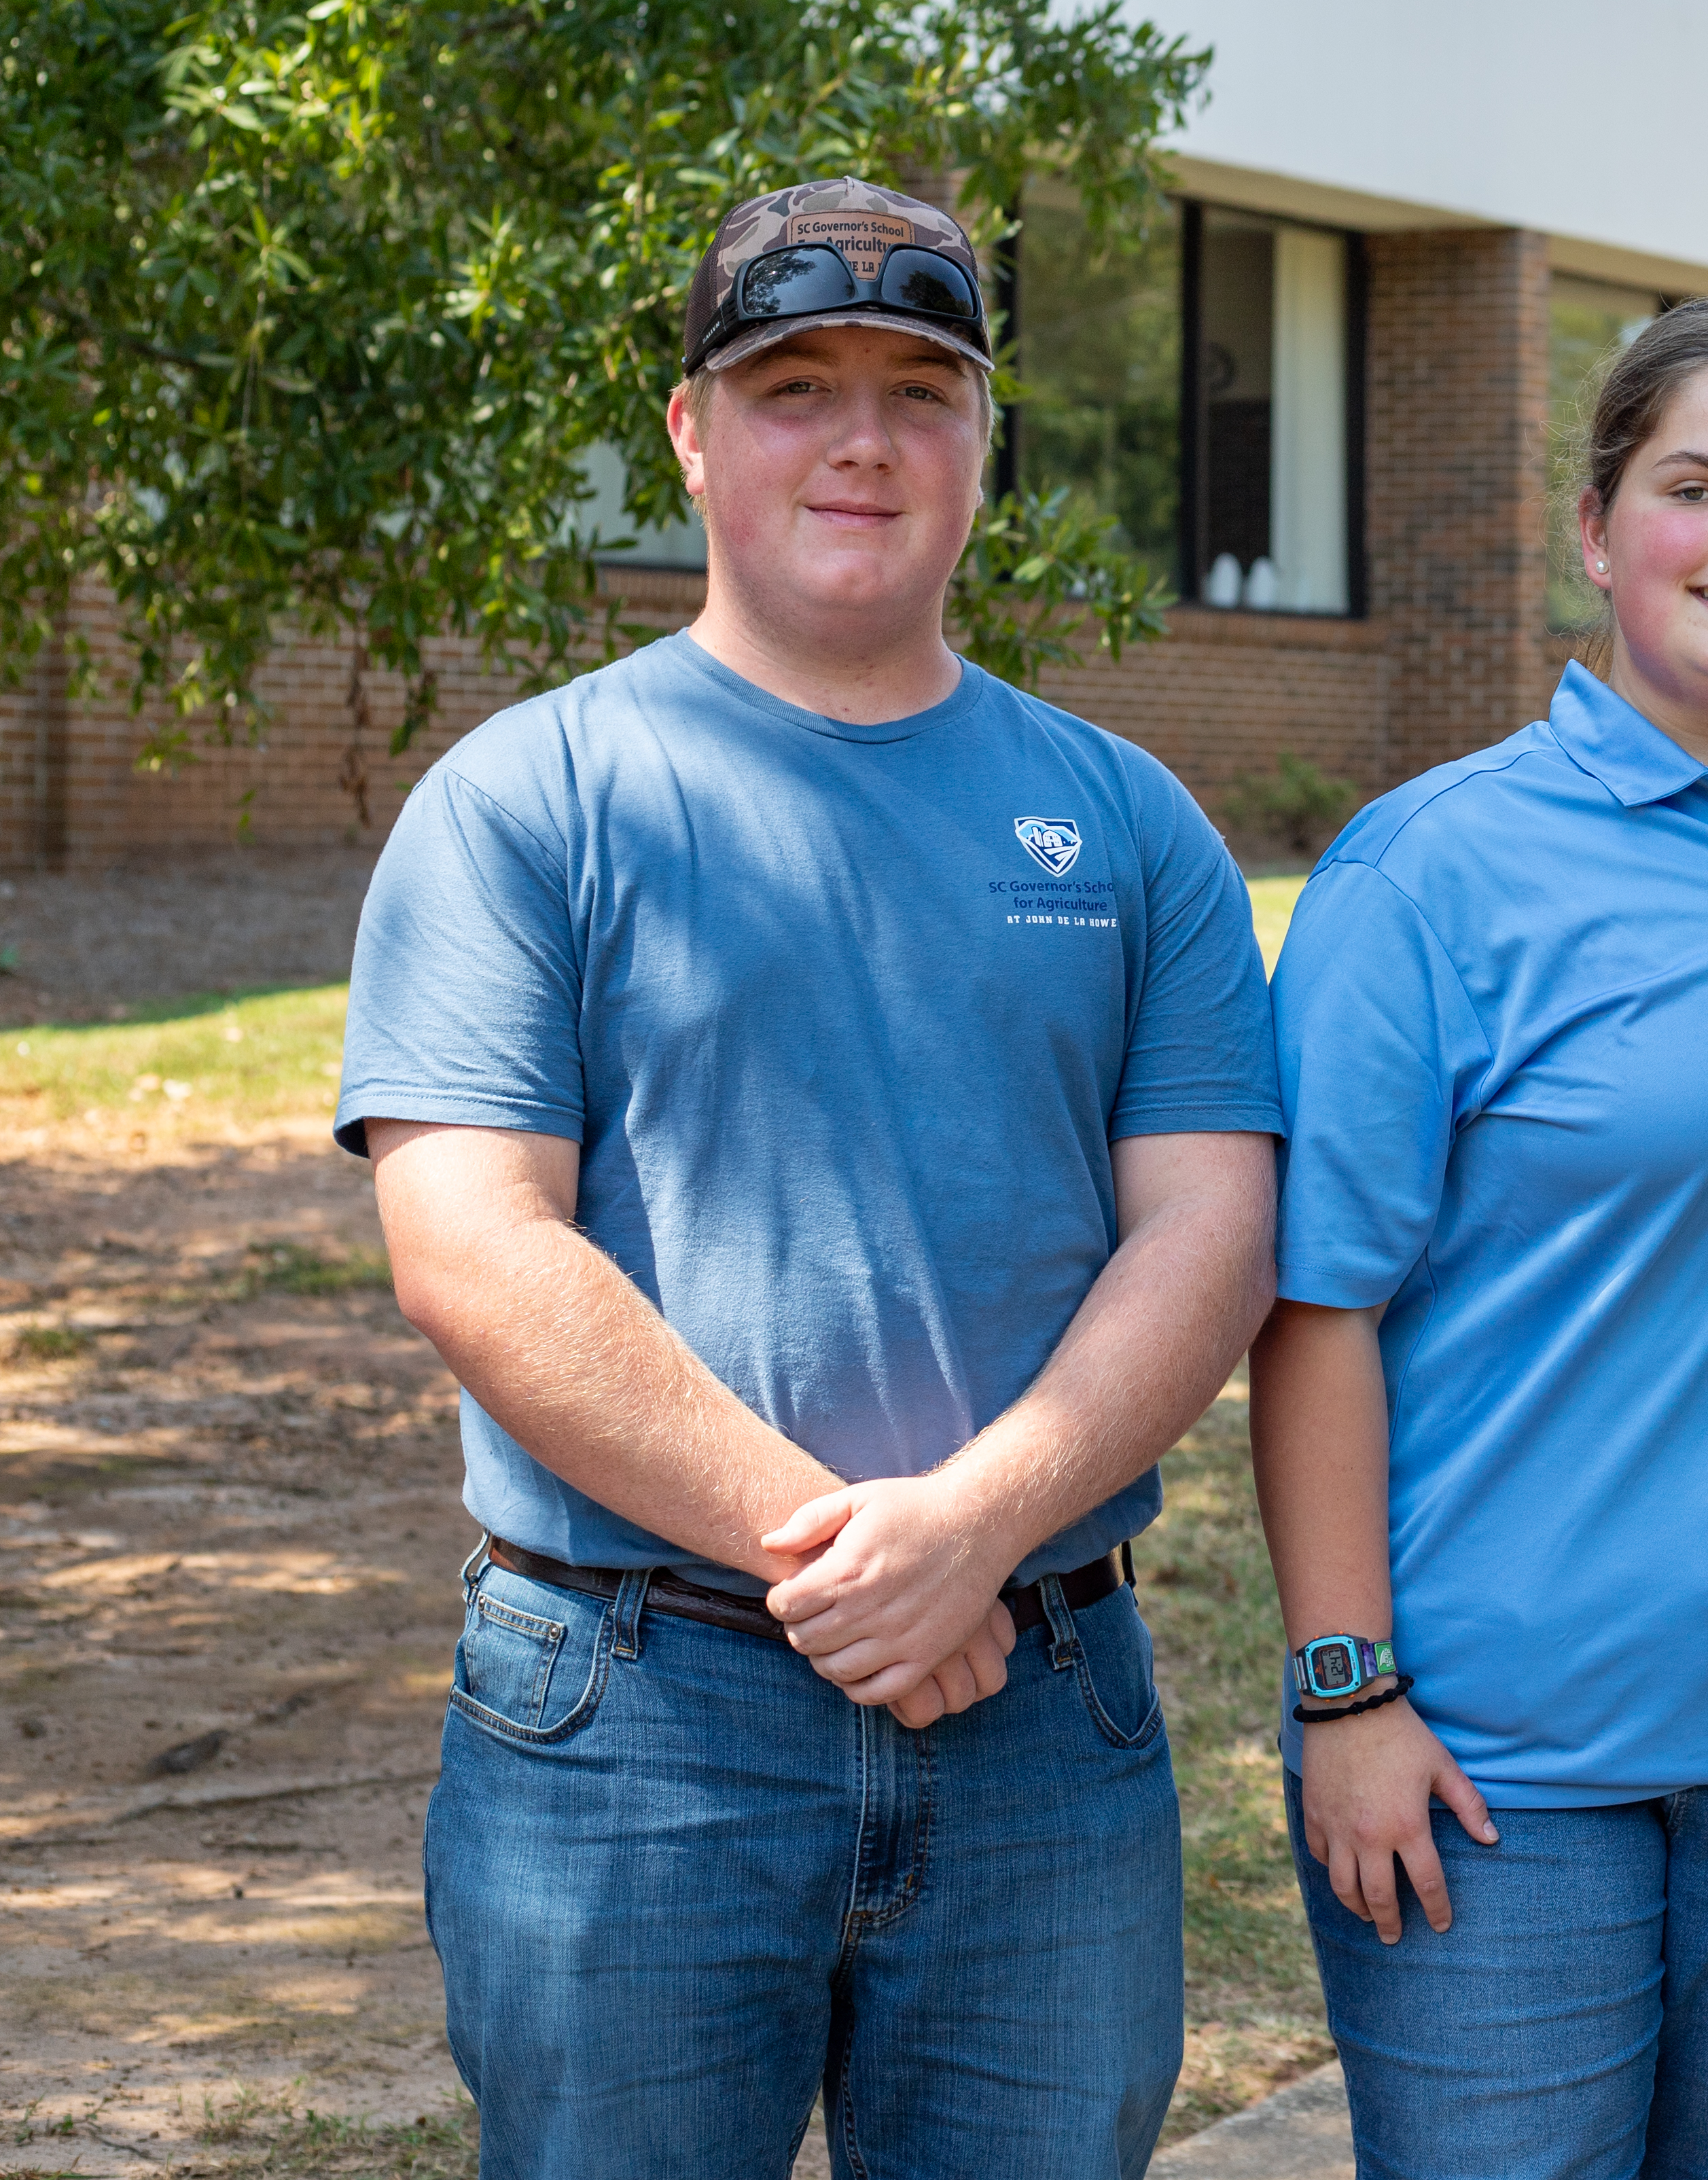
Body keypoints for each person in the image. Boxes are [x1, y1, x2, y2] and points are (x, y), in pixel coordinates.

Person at [338, 178, 1281, 2180]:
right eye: (792, 384)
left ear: (984, 438)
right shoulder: (529, 802)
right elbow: (474, 1251)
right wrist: (866, 1562)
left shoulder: (1129, 825)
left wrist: (982, 1532)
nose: (861, 437)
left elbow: (1211, 1227)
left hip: (1043, 1714)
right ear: (691, 431)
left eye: (920, 386)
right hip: (633, 1720)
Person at [1252, 295, 1708, 2180]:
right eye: (1696, 486)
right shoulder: (1430, 870)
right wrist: (1348, 1688)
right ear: (1597, 533)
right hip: (1503, 1763)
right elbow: (1313, 1309)